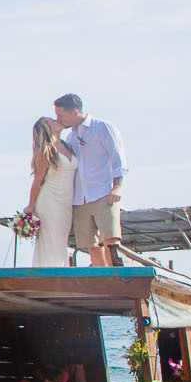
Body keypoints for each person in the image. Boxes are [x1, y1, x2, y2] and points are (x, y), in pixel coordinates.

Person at [52, 93, 128, 266]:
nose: (58, 119)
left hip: (103, 192)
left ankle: (115, 278)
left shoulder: (103, 127)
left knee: (111, 240)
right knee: (91, 244)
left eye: (61, 115)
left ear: (75, 112)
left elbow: (118, 158)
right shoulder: (71, 136)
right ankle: (102, 281)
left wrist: (117, 187)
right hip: (80, 198)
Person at [22, 117, 76, 266]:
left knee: (61, 240)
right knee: (51, 239)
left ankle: (60, 271)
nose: (56, 120)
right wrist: (30, 206)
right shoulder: (45, 150)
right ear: (47, 127)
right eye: (52, 120)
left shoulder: (67, 145)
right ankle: (51, 274)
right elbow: (37, 180)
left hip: (66, 201)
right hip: (50, 200)